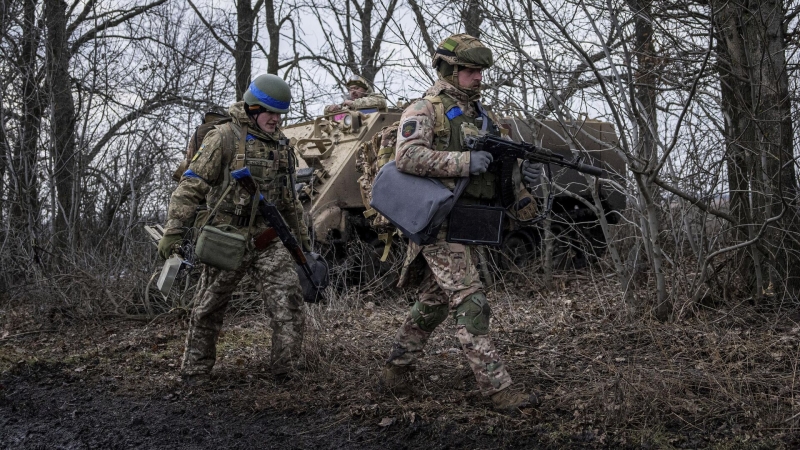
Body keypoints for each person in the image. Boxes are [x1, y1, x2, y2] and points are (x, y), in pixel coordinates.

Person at [379, 34, 543, 410]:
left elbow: (506, 176)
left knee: (435, 302)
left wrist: (527, 186)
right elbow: (407, 157)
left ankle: (394, 371)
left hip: (468, 222)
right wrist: (463, 163)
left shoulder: (484, 118)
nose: (479, 77)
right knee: (471, 300)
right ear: (450, 70)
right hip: (435, 219)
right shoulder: (425, 109)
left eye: (481, 71)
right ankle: (498, 389)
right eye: (471, 70)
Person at [158, 74, 310, 385]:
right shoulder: (223, 137)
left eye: (281, 113)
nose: (276, 119)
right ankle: (195, 374)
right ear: (253, 108)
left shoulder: (282, 145)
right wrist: (173, 231)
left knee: (290, 303)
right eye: (270, 112)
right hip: (227, 238)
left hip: (268, 238)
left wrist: (302, 240)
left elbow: (289, 199)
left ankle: (287, 372)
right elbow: (191, 186)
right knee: (208, 308)